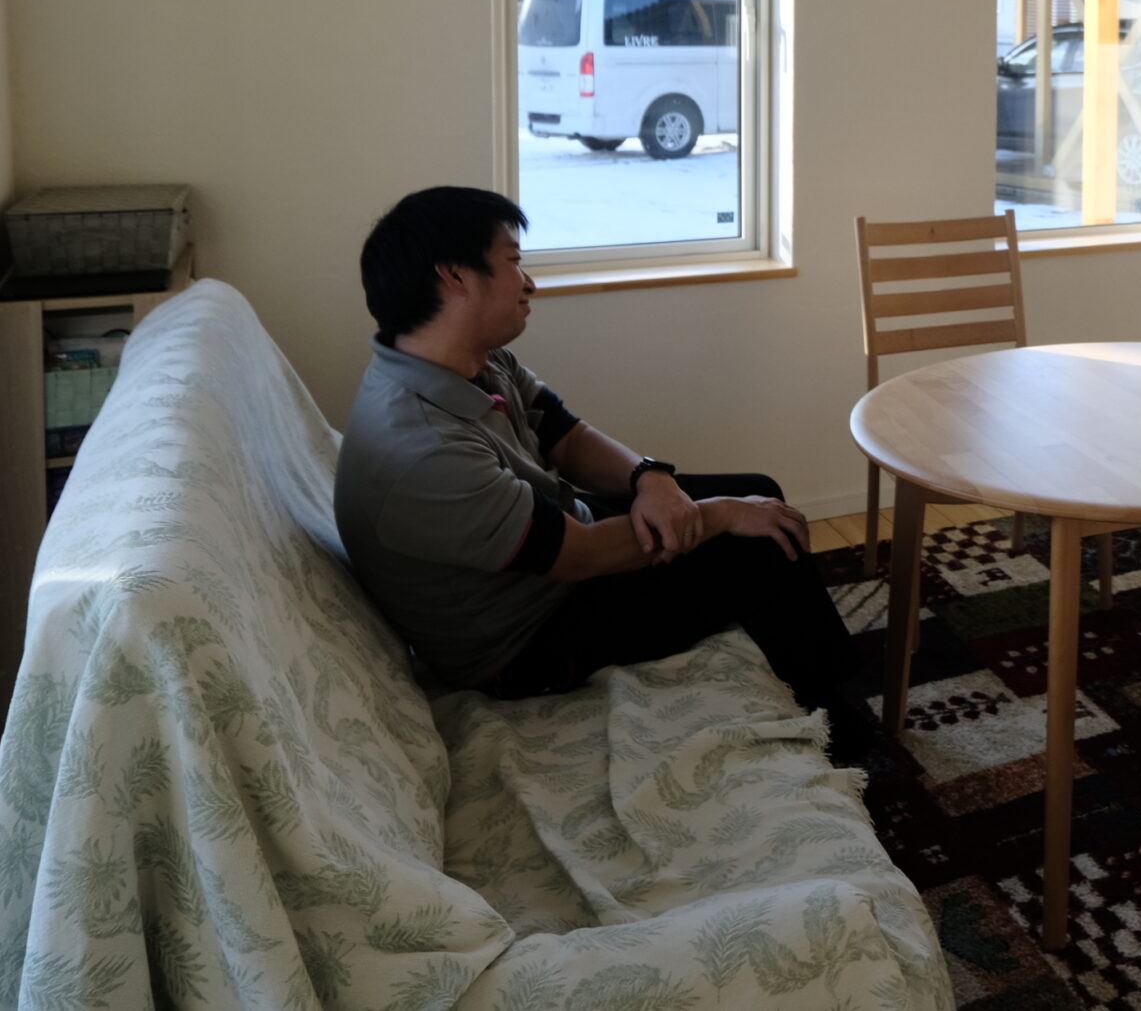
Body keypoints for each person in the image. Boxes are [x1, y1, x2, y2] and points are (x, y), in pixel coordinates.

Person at [334, 186, 860, 721]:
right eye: (514, 262)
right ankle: (845, 720)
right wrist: (719, 516)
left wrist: (650, 477)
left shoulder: (473, 361)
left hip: (549, 558)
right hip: (526, 643)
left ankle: (809, 668)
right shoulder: (424, 450)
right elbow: (578, 555)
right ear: (455, 277)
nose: (530, 283)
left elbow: (566, 436)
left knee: (759, 493)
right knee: (758, 544)